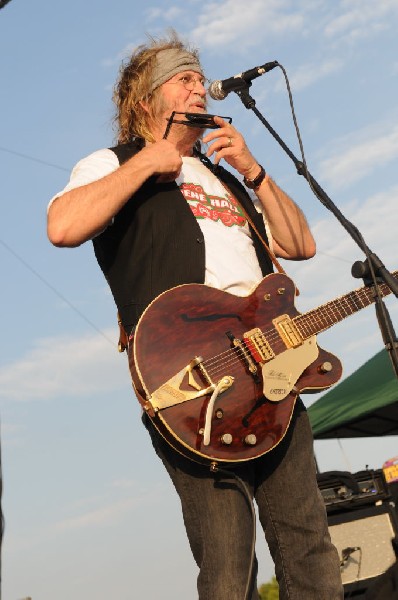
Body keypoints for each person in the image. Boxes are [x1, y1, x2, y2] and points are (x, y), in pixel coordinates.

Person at [47, 31, 343, 600]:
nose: (199, 88)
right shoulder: (113, 163)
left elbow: (299, 245)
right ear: (145, 101)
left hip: (274, 373)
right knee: (229, 567)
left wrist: (254, 172)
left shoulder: (226, 176)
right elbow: (62, 226)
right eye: (183, 79)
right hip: (193, 383)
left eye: (198, 77)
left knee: (309, 543)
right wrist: (146, 164)